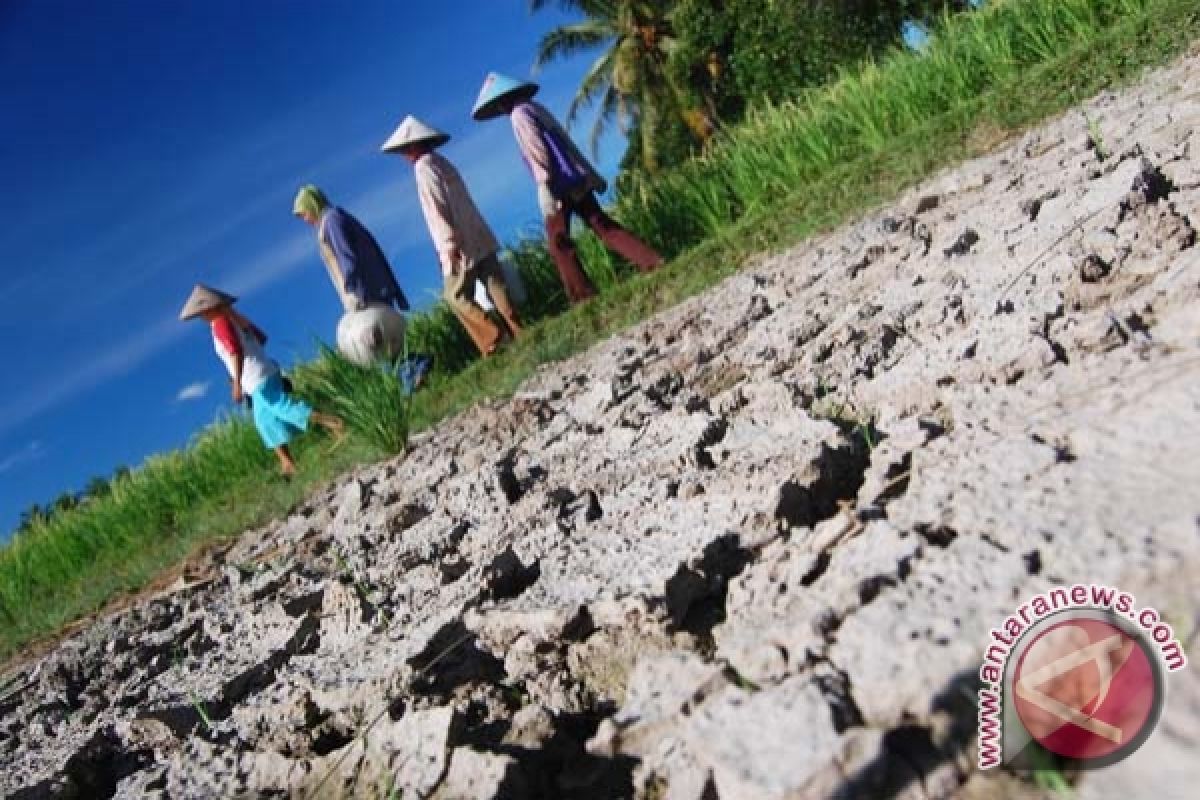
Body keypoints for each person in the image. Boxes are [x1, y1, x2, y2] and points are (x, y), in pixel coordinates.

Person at [471, 72, 664, 305]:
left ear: (502, 101)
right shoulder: (535, 108)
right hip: (575, 179)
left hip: (557, 185)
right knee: (603, 225)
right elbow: (566, 144)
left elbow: (537, 151)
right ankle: (651, 261)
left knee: (558, 243)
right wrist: (589, 173)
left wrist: (544, 185)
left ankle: (583, 296)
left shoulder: (519, 115)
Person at [381, 115, 522, 357]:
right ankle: (519, 331)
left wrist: (448, 245)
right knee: (495, 284)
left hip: (458, 241)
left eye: (405, 149)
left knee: (455, 295)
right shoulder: (442, 162)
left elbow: (437, 209)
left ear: (413, 146)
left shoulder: (423, 169)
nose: (405, 155)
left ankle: (493, 337)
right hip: (477, 231)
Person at [179, 284, 344, 477]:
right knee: (265, 421)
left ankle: (334, 423)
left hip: (255, 378)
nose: (202, 317)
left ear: (209, 309)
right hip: (265, 371)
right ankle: (287, 464)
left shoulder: (219, 324)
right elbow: (262, 338)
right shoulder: (235, 320)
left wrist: (237, 383)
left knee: (284, 408)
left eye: (202, 312)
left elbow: (235, 351)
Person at [292, 186, 429, 385]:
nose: (305, 219)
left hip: (365, 289)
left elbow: (348, 258)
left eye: (304, 213)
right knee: (379, 343)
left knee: (375, 339)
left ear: (312, 205)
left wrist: (356, 292)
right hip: (365, 287)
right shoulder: (331, 220)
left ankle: (417, 366)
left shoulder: (331, 221)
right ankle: (414, 373)